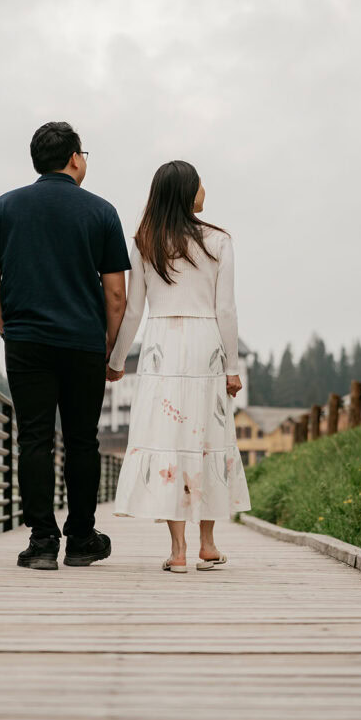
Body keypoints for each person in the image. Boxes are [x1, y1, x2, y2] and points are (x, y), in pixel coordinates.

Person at [0, 122, 131, 570]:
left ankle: (42, 542)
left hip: (26, 339)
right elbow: (116, 294)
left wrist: (8, 327)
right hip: (83, 342)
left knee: (35, 439)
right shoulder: (102, 212)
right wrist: (108, 347)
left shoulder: (5, 207)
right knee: (82, 440)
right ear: (75, 158)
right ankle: (81, 538)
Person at [106, 160, 251, 572]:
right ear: (188, 192)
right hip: (207, 347)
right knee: (208, 437)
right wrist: (233, 367)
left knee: (169, 439)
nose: (206, 188)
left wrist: (117, 361)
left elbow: (133, 311)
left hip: (161, 347)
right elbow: (226, 309)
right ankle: (208, 543)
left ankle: (178, 550)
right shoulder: (219, 241)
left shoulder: (145, 242)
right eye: (200, 183)